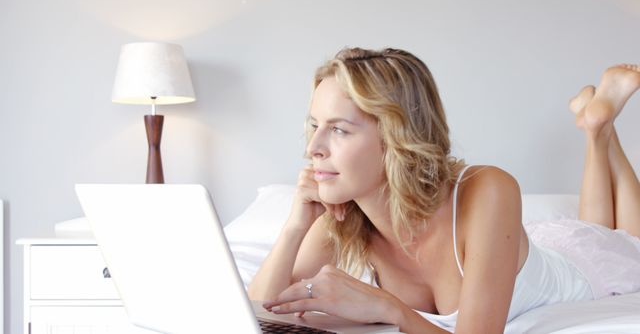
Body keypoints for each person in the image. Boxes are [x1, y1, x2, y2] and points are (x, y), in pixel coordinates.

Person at [247, 47, 640, 333]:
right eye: (315, 125)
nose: (313, 148)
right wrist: (296, 226)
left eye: (338, 129)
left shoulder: (488, 189)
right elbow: (259, 311)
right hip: (523, 250)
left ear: (396, 136)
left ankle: (598, 133)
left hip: (586, 267)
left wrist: (389, 309)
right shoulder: (345, 216)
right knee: (599, 224)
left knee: (615, 236)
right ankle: (597, 129)